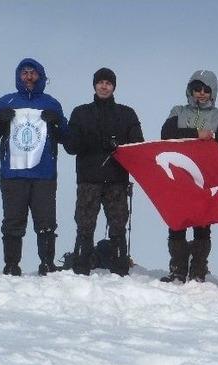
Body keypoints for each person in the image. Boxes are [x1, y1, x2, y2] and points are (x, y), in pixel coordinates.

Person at [0, 58, 68, 276]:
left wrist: (58, 121)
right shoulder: (6, 101)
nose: (29, 76)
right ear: (18, 76)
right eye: (25, 73)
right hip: (13, 173)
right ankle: (11, 264)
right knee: (13, 221)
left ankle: (47, 264)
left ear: (41, 76)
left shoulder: (52, 103)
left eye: (33, 73)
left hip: (44, 173)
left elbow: (66, 138)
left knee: (46, 221)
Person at [63, 68, 144, 276]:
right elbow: (70, 146)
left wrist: (118, 144)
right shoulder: (80, 113)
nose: (104, 86)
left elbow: (138, 147)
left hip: (116, 180)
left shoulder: (126, 114)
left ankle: (120, 270)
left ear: (114, 86)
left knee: (118, 228)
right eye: (100, 82)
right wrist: (88, 140)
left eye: (108, 83)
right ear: (94, 85)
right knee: (84, 227)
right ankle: (80, 269)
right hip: (88, 180)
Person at [159, 70, 218, 283]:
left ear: (213, 92)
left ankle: (198, 271)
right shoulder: (178, 111)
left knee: (202, 225)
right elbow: (166, 136)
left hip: (206, 179)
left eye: (206, 90)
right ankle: (177, 270)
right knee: (177, 223)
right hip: (179, 178)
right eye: (197, 89)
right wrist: (196, 134)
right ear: (190, 90)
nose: (201, 94)